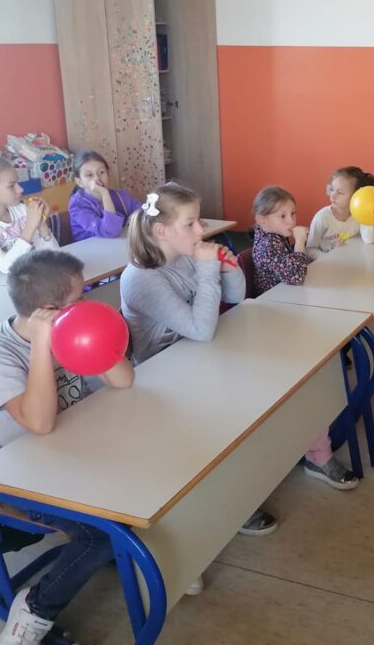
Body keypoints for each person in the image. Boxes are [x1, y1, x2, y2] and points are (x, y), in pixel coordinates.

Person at [0, 250, 134, 643]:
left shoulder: (73, 331)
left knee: (149, 475)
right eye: (81, 298)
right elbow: (41, 424)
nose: (89, 302)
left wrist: (90, 334)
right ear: (48, 310)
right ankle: (34, 609)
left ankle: (142, 554)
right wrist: (42, 346)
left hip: (75, 456)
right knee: (98, 536)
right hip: (22, 479)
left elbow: (123, 380)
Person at [119, 183, 280, 543]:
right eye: (190, 223)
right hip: (163, 379)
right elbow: (201, 329)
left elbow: (237, 297)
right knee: (223, 419)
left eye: (199, 220)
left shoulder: (186, 255)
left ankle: (240, 485)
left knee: (261, 390)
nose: (201, 229)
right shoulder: (141, 279)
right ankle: (226, 502)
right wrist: (208, 271)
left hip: (196, 360)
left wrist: (226, 267)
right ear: (161, 231)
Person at [252, 185, 360, 490]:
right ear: (262, 220)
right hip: (276, 326)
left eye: (293, 214)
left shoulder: (275, 238)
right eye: (283, 216)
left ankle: (320, 434)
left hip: (290, 313)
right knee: (316, 376)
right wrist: (300, 242)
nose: (291, 220)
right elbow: (296, 276)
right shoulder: (268, 245)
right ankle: (317, 452)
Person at [68, 150, 142, 241]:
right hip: (91, 248)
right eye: (89, 175)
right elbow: (111, 231)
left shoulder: (120, 195)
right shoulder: (77, 205)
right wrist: (104, 194)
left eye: (101, 172)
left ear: (108, 174)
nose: (97, 178)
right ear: (80, 182)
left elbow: (143, 214)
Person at [306, 166, 374, 256]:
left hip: (346, 259)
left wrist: (367, 210)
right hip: (325, 263)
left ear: (356, 196)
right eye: (332, 190)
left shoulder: (358, 216)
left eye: (340, 192)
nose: (332, 196)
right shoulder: (322, 218)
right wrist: (326, 258)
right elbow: (309, 249)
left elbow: (369, 240)